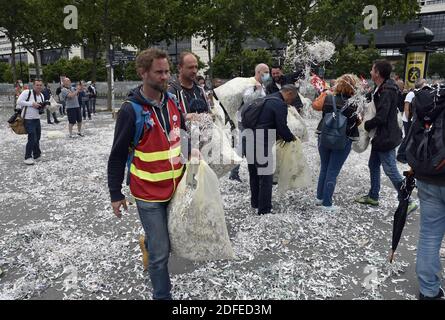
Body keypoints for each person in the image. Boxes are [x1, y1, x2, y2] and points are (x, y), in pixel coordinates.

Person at [108, 48, 190, 300]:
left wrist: (192, 158)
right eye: (159, 72)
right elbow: (118, 154)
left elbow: (182, 136)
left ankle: (152, 241)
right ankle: (162, 296)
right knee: (160, 253)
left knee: (173, 239)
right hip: (148, 193)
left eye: (167, 71)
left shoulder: (173, 101)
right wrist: (115, 194)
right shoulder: (130, 110)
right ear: (143, 73)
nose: (165, 77)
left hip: (177, 187)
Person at [355, 60, 418, 214]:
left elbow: (382, 117)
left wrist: (366, 125)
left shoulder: (387, 90)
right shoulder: (381, 87)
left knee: (390, 169)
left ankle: (407, 200)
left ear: (377, 73)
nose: (370, 72)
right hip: (380, 136)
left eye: (372, 69)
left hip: (386, 137)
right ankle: (373, 196)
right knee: (373, 165)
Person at [312, 74, 361, 212]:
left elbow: (316, 106)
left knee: (324, 167)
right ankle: (327, 203)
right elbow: (358, 121)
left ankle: (319, 197)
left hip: (324, 136)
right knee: (333, 171)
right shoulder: (355, 103)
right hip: (343, 139)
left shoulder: (328, 98)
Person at [246, 85, 297, 215]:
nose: (291, 102)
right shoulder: (279, 104)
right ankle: (264, 210)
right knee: (266, 176)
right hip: (262, 141)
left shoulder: (266, 98)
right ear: (289, 93)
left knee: (254, 173)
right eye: (292, 98)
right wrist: (291, 138)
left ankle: (256, 203)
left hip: (248, 137)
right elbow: (282, 127)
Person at [229, 63, 270, 182]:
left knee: (246, 146)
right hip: (246, 121)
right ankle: (234, 172)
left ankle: (238, 172)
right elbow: (247, 100)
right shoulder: (251, 84)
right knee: (242, 146)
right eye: (266, 72)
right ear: (259, 72)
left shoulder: (261, 85)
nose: (268, 74)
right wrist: (257, 90)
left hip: (255, 121)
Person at [168, 51, 210, 120]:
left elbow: (209, 112)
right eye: (190, 67)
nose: (194, 71)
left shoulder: (200, 89)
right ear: (179, 68)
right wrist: (185, 117)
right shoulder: (172, 92)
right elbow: (169, 116)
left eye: (196, 67)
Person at [16, 79, 45, 165]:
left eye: (40, 85)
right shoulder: (27, 92)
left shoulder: (42, 95)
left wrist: (45, 106)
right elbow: (19, 101)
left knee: (37, 138)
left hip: (37, 119)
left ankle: (36, 155)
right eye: (37, 85)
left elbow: (40, 107)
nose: (39, 87)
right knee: (32, 138)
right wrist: (32, 104)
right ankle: (27, 157)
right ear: (33, 86)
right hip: (28, 119)